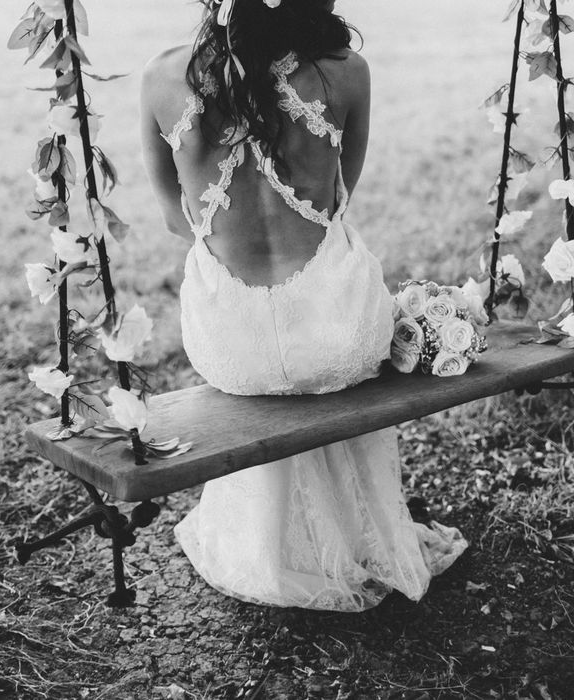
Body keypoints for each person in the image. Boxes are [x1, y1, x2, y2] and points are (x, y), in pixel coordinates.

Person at [140, 0, 466, 612]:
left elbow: (170, 218)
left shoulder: (160, 77)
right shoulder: (344, 71)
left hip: (230, 343)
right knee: (333, 310)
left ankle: (268, 546)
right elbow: (343, 190)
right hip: (335, 329)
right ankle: (357, 534)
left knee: (270, 357)